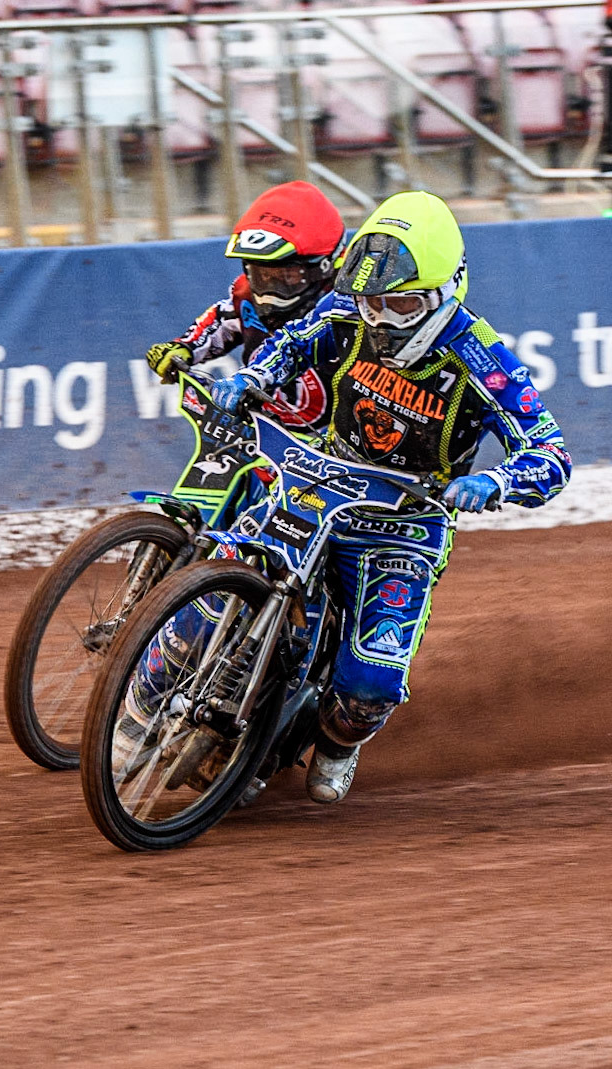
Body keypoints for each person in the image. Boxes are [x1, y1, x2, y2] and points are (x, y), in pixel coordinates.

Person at [204, 190, 572, 804]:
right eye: (372, 301)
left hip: (405, 522)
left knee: (370, 687)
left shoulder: (484, 359)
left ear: (445, 291)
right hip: (319, 479)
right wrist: (252, 377)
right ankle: (146, 694)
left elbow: (551, 454)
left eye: (400, 303)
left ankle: (338, 743)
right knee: (219, 575)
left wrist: (493, 482)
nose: (381, 318)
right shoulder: (345, 310)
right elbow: (291, 343)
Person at [143, 180, 348, 430]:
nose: (270, 290)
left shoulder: (349, 306)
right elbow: (222, 320)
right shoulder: (245, 296)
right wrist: (185, 347)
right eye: (261, 275)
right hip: (262, 430)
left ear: (324, 268)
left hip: (337, 439)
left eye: (287, 276)